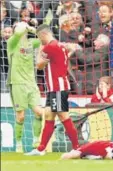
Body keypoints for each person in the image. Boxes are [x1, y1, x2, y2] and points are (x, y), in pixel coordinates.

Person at [25, 24, 79, 156]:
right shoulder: (60, 46)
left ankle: (77, 147)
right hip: (54, 88)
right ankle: (41, 149)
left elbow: (38, 65)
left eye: (39, 37)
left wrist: (39, 50)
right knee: (49, 116)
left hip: (58, 87)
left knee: (63, 116)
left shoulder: (50, 46)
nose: (40, 41)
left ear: (43, 35)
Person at [6, 22, 44, 152]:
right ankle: (18, 143)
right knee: (20, 116)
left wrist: (33, 29)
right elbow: (17, 33)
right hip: (17, 83)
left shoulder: (31, 43)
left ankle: (36, 140)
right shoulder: (12, 42)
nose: (23, 28)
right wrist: (24, 26)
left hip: (31, 83)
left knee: (39, 112)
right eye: (19, 26)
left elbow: (43, 38)